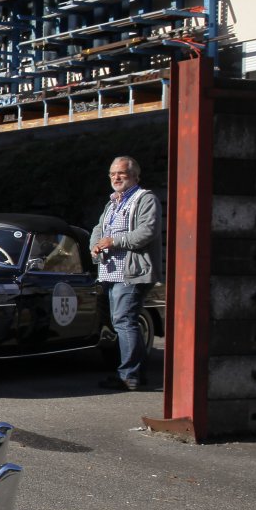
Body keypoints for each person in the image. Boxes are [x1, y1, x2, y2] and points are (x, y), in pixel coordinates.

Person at [91, 155, 161, 390]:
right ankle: (135, 374)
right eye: (112, 174)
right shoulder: (112, 202)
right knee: (122, 322)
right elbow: (99, 228)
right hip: (110, 273)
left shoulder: (145, 198)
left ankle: (129, 376)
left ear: (135, 176)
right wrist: (95, 245)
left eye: (121, 173)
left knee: (124, 322)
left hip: (132, 273)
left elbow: (147, 232)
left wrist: (114, 241)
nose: (116, 177)